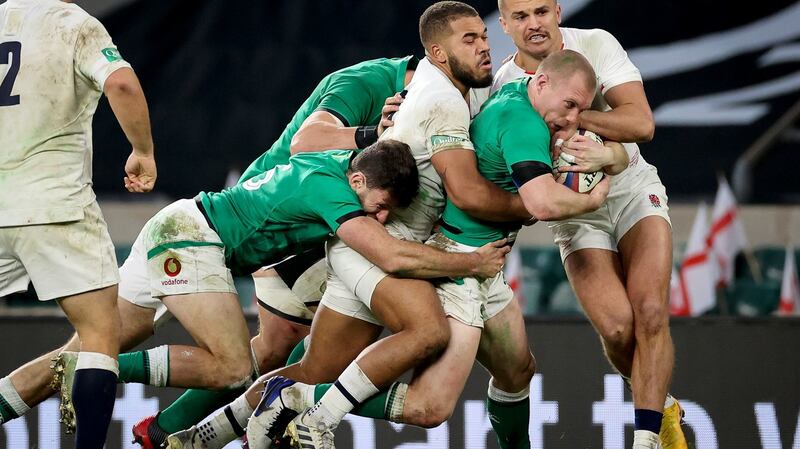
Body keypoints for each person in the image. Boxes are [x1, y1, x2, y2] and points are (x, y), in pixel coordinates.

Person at [165, 2, 534, 449]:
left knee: (314, 369)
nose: (484, 47)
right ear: (436, 52)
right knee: (425, 360)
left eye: (483, 36)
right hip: (375, 240)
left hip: (375, 240)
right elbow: (466, 193)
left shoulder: (462, 89)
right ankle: (315, 413)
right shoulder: (424, 96)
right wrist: (535, 203)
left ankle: (198, 437)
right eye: (469, 39)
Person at [0, 53, 416, 449]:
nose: (382, 216)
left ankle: (133, 406)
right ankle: (120, 387)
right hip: (196, 237)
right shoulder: (342, 160)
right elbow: (386, 251)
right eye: (380, 207)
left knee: (93, 346)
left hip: (184, 225)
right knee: (237, 367)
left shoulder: (344, 173)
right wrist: (469, 260)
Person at [249, 49, 617, 449]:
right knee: (429, 408)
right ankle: (302, 400)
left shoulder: (516, 93)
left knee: (518, 371)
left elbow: (625, 130)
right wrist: (593, 197)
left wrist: (605, 152)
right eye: (569, 105)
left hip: (484, 263)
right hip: (460, 265)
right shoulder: (520, 123)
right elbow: (543, 204)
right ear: (542, 83)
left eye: (580, 109)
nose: (573, 118)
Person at [129, 55, 419, 448]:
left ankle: (179, 428)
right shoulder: (367, 82)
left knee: (292, 349)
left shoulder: (430, 101)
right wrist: (373, 133)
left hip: (317, 219)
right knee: (295, 344)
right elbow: (306, 142)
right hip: (281, 210)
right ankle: (241, 425)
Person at [492, 1, 686, 448]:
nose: (534, 24)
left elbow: (640, 122)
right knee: (618, 328)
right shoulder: (501, 86)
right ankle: (663, 403)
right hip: (575, 211)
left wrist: (585, 129)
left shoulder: (596, 43)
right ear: (503, 24)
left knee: (651, 313)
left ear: (558, 11)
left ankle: (647, 438)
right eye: (520, 17)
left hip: (632, 187)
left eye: (541, 10)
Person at [0, 0, 156, 447]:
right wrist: (142, 151)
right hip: (54, 205)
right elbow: (122, 85)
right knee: (99, 334)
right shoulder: (72, 23)